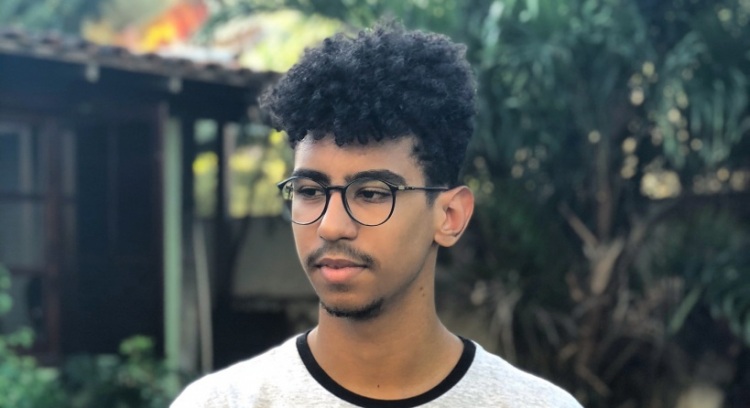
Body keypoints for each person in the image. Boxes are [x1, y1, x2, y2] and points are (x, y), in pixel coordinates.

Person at [171, 21, 582, 408]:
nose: (331, 226)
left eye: (370, 193)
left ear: (450, 216)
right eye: (310, 191)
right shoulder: (223, 402)